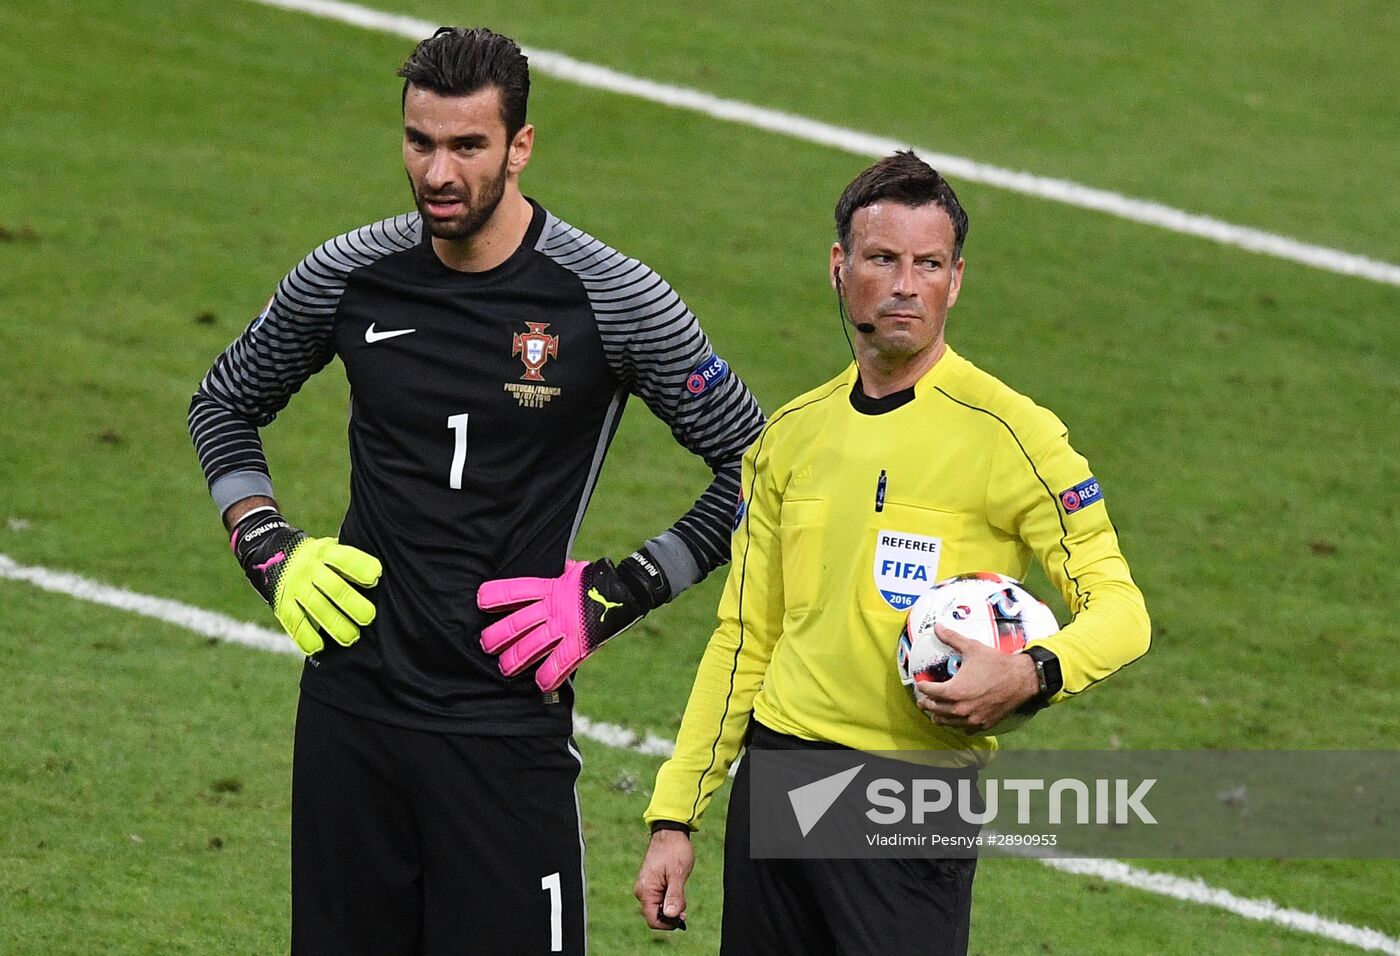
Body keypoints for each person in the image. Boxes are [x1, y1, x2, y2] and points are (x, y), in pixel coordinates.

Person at [187, 26, 764, 956]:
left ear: (520, 146)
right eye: (420, 142)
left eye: (468, 146)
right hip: (351, 713)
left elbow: (763, 467)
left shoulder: (609, 298)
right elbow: (223, 401)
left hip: (504, 728)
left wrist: (620, 593)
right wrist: (268, 546)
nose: (438, 173)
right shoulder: (347, 275)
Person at [635, 151, 1150, 954]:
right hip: (779, 781)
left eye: (929, 263)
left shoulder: (1016, 436)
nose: (907, 284)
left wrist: (1031, 671)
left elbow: (1122, 611)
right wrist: (675, 815)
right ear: (841, 269)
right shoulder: (789, 439)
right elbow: (743, 637)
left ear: (956, 280)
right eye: (883, 259)